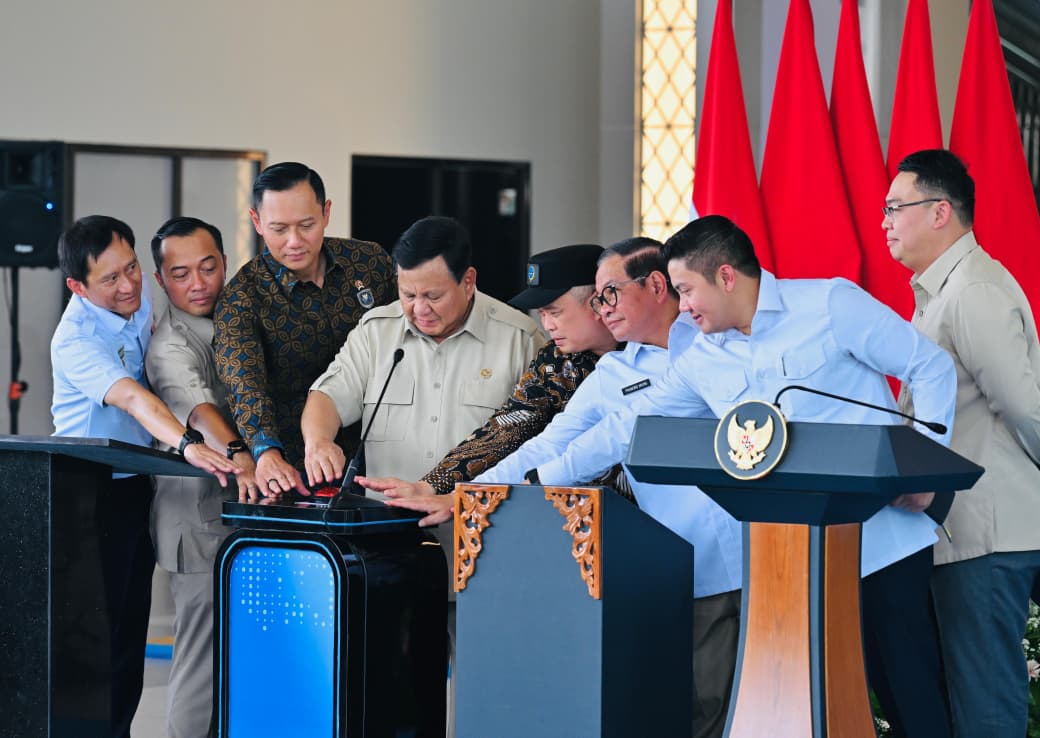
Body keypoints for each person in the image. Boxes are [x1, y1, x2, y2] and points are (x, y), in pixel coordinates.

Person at [525, 215, 958, 738]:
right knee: (808, 713)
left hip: (882, 545)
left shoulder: (830, 304)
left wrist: (927, 466)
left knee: (909, 698)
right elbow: (624, 429)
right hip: (789, 562)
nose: (682, 308)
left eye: (686, 290)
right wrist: (539, 480)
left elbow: (929, 367)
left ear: (726, 277)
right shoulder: (702, 359)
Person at [398, 237, 743, 738]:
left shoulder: (720, 341)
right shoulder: (614, 372)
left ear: (657, 285)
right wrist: (463, 495)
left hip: (749, 553)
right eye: (598, 299)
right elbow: (548, 444)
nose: (603, 310)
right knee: (678, 711)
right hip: (663, 569)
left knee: (734, 710)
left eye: (609, 296)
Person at [51, 215, 239, 738]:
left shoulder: (138, 305)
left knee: (129, 638)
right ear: (78, 287)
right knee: (96, 644)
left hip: (135, 483)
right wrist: (187, 442)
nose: (129, 285)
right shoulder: (75, 340)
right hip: (85, 492)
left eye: (131, 268)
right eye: (110, 280)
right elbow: (136, 397)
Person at [886, 149, 1040, 738]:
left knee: (986, 707)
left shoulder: (972, 291)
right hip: (966, 527)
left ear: (941, 212)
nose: (886, 223)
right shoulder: (941, 291)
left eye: (896, 208)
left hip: (989, 529)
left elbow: (1023, 405)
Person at [356, 241, 620, 514]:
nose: (547, 325)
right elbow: (508, 426)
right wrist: (432, 486)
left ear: (597, 303)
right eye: (541, 314)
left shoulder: (649, 353)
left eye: (554, 312)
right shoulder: (555, 361)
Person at [213, 162, 396, 497]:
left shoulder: (369, 263)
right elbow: (245, 385)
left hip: (387, 457)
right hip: (294, 471)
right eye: (279, 229)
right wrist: (266, 452)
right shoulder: (243, 297)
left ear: (326, 213)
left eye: (307, 225)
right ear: (256, 222)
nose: (294, 241)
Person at [145, 217, 259, 738]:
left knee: (241, 661)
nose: (198, 283)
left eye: (209, 267)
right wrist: (242, 454)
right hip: (197, 520)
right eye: (182, 272)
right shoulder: (169, 343)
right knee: (200, 661)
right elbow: (196, 412)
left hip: (243, 514)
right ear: (160, 279)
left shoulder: (238, 320)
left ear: (225, 264)